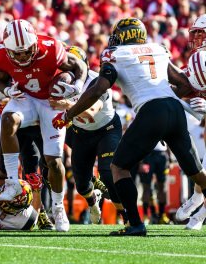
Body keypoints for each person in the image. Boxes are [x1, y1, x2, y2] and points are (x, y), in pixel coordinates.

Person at [53, 17, 206, 236]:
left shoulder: (115, 54)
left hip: (151, 112)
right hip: (174, 109)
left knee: (118, 168)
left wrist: (69, 114)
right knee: (198, 174)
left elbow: (98, 90)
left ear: (122, 36)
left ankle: (135, 224)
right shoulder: (157, 48)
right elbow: (183, 82)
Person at [0, 19, 88, 232]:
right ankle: (11, 183)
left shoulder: (51, 47)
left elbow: (79, 65)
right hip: (26, 96)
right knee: (8, 120)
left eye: (27, 51)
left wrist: (77, 86)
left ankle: (58, 207)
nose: (24, 57)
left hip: (51, 101)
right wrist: (7, 91)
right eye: (18, 54)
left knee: (53, 161)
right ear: (8, 51)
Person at [49, 46, 128, 225]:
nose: (69, 72)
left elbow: (91, 113)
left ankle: (125, 215)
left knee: (108, 173)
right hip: (80, 132)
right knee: (82, 184)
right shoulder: (60, 82)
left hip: (105, 129)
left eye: (73, 68)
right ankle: (93, 202)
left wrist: (66, 105)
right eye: (66, 68)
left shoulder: (96, 80)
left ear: (83, 66)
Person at [175, 14, 206, 230]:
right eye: (194, 32)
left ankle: (200, 214)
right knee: (201, 167)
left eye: (200, 32)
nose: (195, 37)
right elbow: (183, 82)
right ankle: (197, 199)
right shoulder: (197, 59)